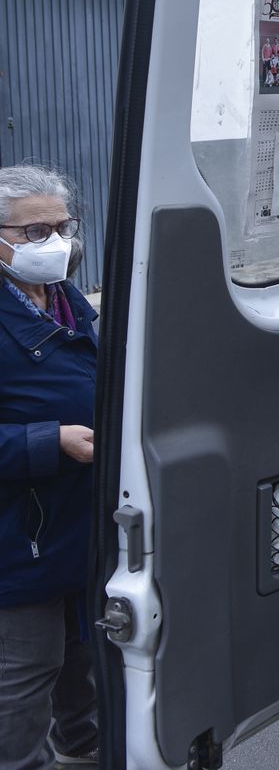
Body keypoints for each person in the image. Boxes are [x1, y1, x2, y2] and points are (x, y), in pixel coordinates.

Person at [0, 165, 99, 769]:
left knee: (81, 655)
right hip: (19, 536)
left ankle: (85, 749)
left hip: (73, 521)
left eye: (63, 227)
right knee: (26, 671)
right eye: (36, 232)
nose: (56, 242)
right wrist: (51, 441)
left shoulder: (62, 297)